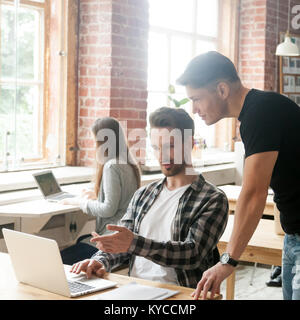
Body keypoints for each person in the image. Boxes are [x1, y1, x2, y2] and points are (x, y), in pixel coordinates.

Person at [176, 51, 300, 300]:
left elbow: (254, 192)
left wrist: (228, 260)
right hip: (293, 234)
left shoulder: (260, 113)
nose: (194, 109)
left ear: (222, 90)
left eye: (197, 98)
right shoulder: (259, 111)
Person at [69, 107, 228, 289]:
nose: (162, 156)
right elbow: (122, 240)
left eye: (170, 146)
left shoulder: (212, 199)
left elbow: (192, 254)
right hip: (134, 288)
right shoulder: (143, 194)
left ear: (189, 143)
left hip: (179, 293)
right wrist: (100, 260)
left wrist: (134, 243)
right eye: (155, 147)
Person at [60, 117, 141, 265]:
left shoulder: (111, 166)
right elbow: (121, 200)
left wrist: (80, 202)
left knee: (57, 258)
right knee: (80, 240)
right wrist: (97, 196)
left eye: (94, 141)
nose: (94, 146)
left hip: (112, 240)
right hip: (124, 237)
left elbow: (108, 209)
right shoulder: (127, 162)